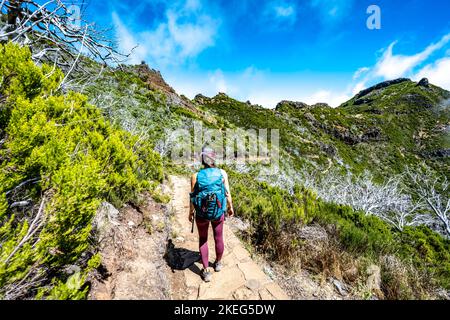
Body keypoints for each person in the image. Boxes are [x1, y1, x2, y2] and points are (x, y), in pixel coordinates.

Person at [188, 146, 234, 282]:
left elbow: (192, 197)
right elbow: (227, 193)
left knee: (203, 239)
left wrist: (191, 212)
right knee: (218, 237)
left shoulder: (195, 176)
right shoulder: (222, 173)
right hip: (218, 212)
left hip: (201, 214)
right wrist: (230, 207)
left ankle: (206, 271)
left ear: (202, 160)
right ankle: (218, 264)